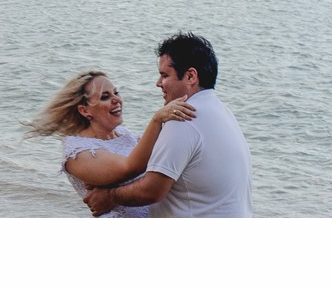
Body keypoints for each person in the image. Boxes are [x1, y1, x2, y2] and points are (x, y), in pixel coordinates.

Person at [84, 32, 253, 217]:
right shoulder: (222, 111)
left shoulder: (184, 117)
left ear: (190, 76)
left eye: (164, 75)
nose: (158, 83)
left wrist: (109, 197)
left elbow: (151, 190)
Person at [26, 69, 196, 217]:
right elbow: (129, 167)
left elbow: (161, 158)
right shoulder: (77, 152)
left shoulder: (125, 135)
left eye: (116, 93)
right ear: (84, 110)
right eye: (105, 97)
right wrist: (157, 120)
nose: (116, 100)